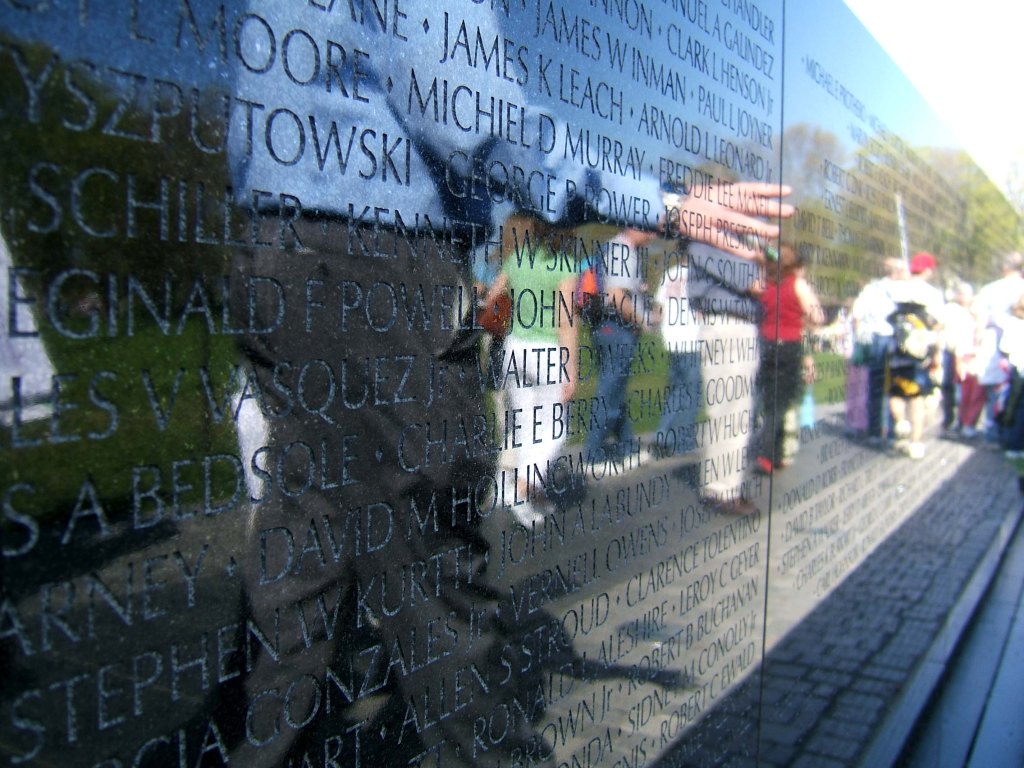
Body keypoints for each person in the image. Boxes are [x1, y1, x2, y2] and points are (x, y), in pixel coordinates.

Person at [225, 3, 794, 763]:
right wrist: (656, 202)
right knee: (434, 567)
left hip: (280, 258)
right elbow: (469, 107)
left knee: (307, 554)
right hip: (373, 266)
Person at [485, 214, 580, 526]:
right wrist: (572, 366)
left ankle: (524, 492)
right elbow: (565, 319)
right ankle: (523, 487)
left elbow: (491, 298)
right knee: (554, 428)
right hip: (547, 351)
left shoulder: (517, 260)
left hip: (516, 346)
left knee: (525, 422)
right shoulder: (565, 265)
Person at [583, 228, 657, 464]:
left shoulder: (621, 249)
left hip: (613, 327)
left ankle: (628, 448)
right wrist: (641, 321)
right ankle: (593, 454)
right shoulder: (622, 250)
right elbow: (616, 295)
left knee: (615, 390)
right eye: (652, 229)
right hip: (616, 327)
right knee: (609, 391)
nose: (653, 235)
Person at [753, 244, 824, 474]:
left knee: (771, 399)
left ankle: (776, 453)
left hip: (765, 345)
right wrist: (801, 320)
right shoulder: (796, 284)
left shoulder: (764, 283)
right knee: (782, 402)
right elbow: (817, 315)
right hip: (789, 345)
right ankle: (767, 454)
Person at [887, 252, 944, 459]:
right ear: (927, 270)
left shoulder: (896, 289)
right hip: (920, 352)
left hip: (896, 349)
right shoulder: (931, 294)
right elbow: (937, 326)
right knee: (917, 397)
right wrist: (937, 355)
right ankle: (916, 442)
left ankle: (900, 422)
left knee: (896, 391)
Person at [650, 241, 702, 461]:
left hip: (672, 339)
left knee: (675, 391)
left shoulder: (669, 274)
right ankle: (683, 441)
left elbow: (659, 306)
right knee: (690, 394)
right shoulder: (699, 277)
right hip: (692, 339)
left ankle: (662, 436)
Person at [850, 257, 907, 442]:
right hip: (891, 339)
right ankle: (890, 430)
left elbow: (857, 314)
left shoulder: (871, 289)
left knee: (876, 387)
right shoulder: (900, 290)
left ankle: (875, 430)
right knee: (893, 386)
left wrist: (859, 338)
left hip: (876, 339)